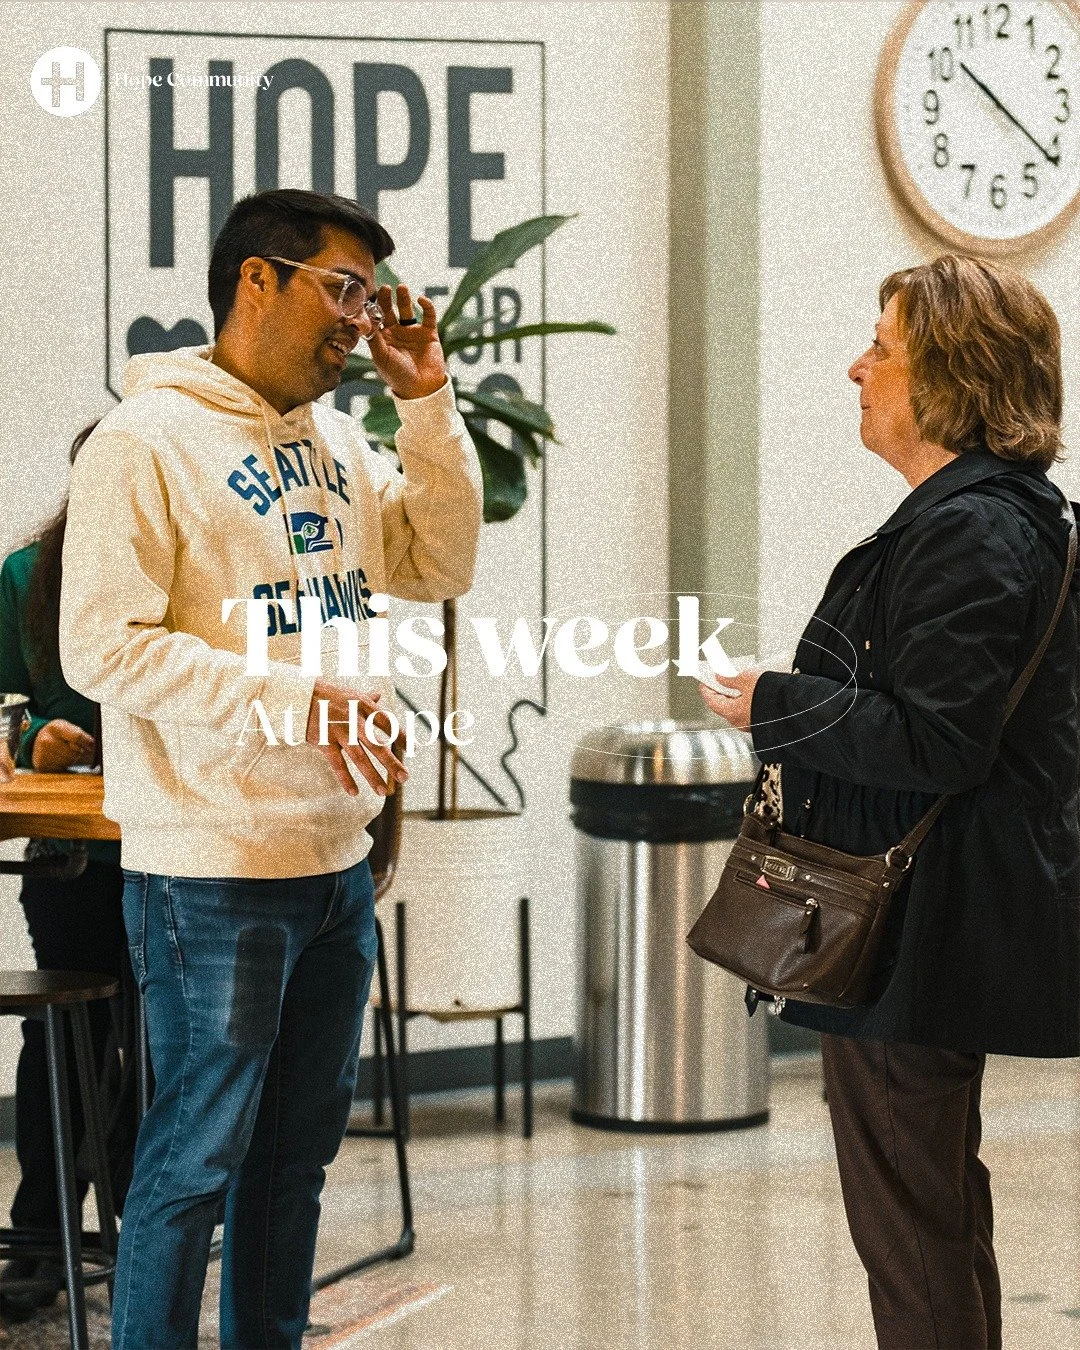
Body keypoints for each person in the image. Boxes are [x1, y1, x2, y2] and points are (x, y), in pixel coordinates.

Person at [58, 189, 483, 1349]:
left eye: (369, 298)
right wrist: (295, 704)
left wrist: (425, 400)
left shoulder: (338, 442)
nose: (358, 320)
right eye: (341, 290)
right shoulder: (146, 441)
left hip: (333, 864)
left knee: (293, 1163)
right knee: (193, 1164)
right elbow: (102, 647)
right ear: (258, 280)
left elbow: (440, 562)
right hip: (213, 870)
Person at [701, 255, 1079, 1350]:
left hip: (918, 929)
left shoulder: (971, 530)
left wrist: (775, 702)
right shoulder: (993, 518)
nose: (856, 368)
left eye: (883, 347)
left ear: (954, 376)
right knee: (932, 1211)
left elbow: (937, 740)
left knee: (911, 1227)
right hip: (933, 916)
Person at [0, 423, 131, 1323]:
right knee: (66, 1033)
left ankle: (139, 1224)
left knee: (165, 1043)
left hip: (189, 848)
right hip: (74, 852)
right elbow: (1, 711)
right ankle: (43, 1236)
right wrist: (32, 737)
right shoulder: (26, 576)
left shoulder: (188, 570)